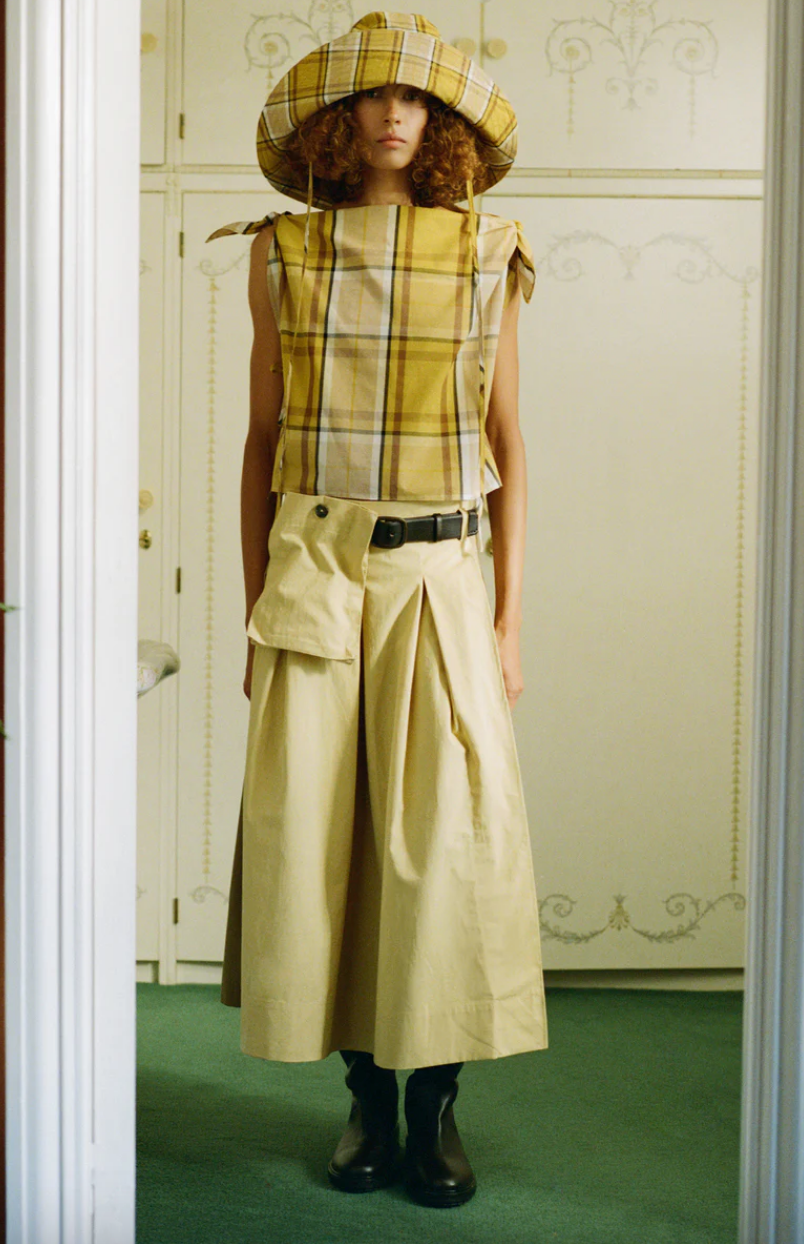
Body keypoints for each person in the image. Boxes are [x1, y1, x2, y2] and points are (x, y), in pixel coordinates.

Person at [206, 10, 549, 1210]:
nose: (395, 114)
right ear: (339, 119)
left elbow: (509, 442)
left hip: (441, 574)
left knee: (445, 845)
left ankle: (435, 1105)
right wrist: (255, 611)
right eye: (373, 96)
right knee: (323, 839)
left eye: (416, 99)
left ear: (439, 122)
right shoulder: (282, 252)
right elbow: (260, 442)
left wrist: (507, 623)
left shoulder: (488, 249)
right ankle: (364, 1095)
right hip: (315, 569)